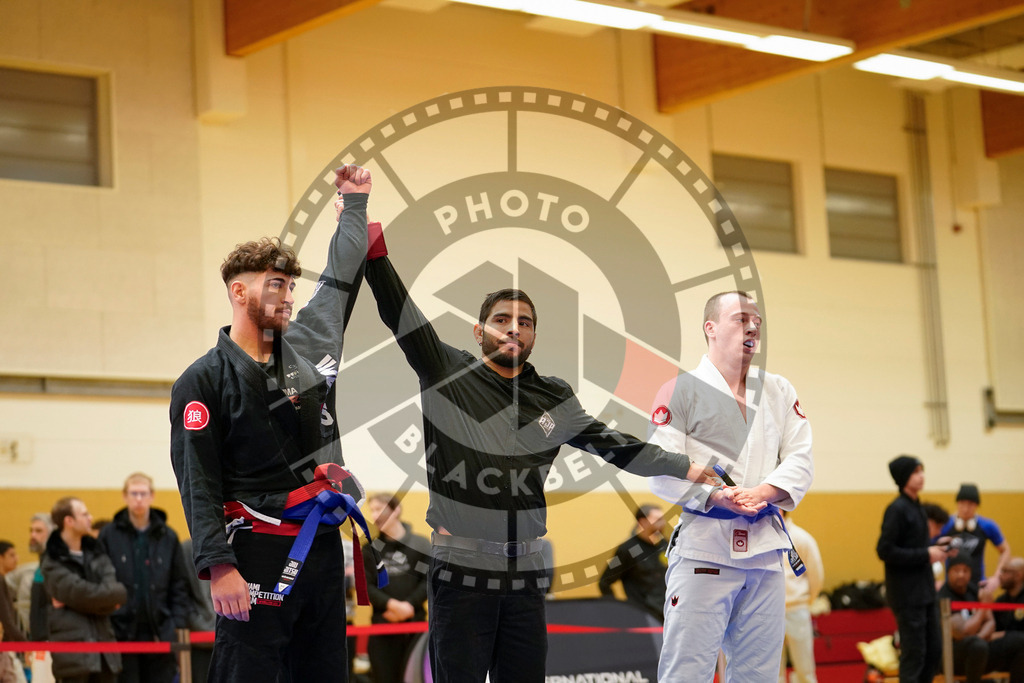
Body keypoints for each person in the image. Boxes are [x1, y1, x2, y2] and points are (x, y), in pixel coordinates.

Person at [361, 188, 715, 683]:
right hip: (460, 568)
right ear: (479, 332)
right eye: (501, 320)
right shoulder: (447, 373)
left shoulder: (554, 396)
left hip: (524, 573)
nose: (513, 329)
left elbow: (613, 445)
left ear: (533, 335)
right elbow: (401, 314)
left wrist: (686, 466)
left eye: (524, 322)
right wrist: (367, 240)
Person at [170, 164, 375, 683]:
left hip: (321, 548)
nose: (289, 296)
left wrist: (354, 206)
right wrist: (219, 566)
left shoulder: (308, 347)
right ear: (239, 292)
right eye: (276, 284)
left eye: (290, 286)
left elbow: (339, 280)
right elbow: (198, 481)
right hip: (253, 552)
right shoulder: (203, 380)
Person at [647, 290, 814, 683]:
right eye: (741, 319)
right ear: (711, 328)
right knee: (687, 673)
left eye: (757, 321)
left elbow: (801, 458)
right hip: (706, 549)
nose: (752, 326)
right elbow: (661, 468)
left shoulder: (778, 390)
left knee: (759, 676)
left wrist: (764, 493)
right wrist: (717, 496)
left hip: (765, 555)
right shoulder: (680, 390)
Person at [97, 473, 190, 683]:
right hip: (121, 631)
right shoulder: (108, 535)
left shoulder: (168, 536)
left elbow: (179, 584)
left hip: (160, 630)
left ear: (152, 496)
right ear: (125, 496)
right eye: (134, 493)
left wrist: (177, 622)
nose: (138, 499)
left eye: (143, 493)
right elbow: (101, 580)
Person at [876, 455, 950, 683]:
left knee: (933, 652)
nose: (921, 476)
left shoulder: (917, 507)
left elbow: (914, 547)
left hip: (925, 593)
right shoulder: (897, 509)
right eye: (916, 472)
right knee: (914, 654)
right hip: (907, 595)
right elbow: (885, 550)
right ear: (904, 477)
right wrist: (927, 554)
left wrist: (935, 547)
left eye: (921, 471)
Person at [41, 497, 127, 683]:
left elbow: (118, 593)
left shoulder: (97, 552)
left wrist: (76, 603)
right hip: (73, 658)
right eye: (84, 514)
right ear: (69, 521)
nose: (90, 518)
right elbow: (82, 594)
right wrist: (105, 601)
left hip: (105, 655)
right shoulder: (52, 560)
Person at [363, 493, 430, 683]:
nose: (375, 515)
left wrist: (408, 605)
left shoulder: (421, 544)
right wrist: (391, 605)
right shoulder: (369, 549)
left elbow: (429, 581)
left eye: (379, 509)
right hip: (382, 626)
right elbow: (367, 586)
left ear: (396, 510)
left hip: (416, 627)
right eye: (372, 510)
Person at [938, 556, 1024, 683]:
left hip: (980, 647)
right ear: (948, 572)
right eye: (956, 570)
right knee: (977, 646)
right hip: (950, 655)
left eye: (965, 570)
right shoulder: (944, 595)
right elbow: (963, 632)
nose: (961, 575)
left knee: (1020, 641)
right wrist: (983, 608)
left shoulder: (973, 590)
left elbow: (991, 623)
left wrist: (980, 636)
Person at [937, 484, 1011, 603]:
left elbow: (1005, 550)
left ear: (976, 505)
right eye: (962, 503)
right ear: (957, 503)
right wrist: (934, 580)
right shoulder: (945, 524)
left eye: (970, 504)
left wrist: (997, 577)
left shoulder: (987, 526)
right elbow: (928, 549)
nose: (966, 509)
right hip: (950, 588)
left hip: (978, 586)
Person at [598, 505, 668, 622]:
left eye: (662, 519)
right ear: (642, 522)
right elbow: (604, 582)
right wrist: (615, 609)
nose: (662, 523)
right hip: (643, 616)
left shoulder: (665, 545)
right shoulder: (627, 550)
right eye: (657, 519)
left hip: (667, 614)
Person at [779, 514, 824, 683]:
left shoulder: (801, 538)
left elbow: (816, 576)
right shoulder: (761, 535)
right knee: (772, 671)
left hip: (796, 608)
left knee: (804, 668)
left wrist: (806, 601)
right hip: (769, 611)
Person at [995, 557, 1024, 634]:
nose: (1000, 575)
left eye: (1005, 571)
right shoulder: (1000, 601)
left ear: (1018, 575)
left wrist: (1003, 635)